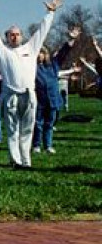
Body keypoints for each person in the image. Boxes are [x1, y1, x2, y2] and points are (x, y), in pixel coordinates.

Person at [0, 0, 61, 169]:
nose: (14, 37)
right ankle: (15, 160)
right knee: (13, 131)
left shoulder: (31, 48)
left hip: (29, 94)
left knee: (27, 130)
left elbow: (43, 31)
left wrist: (50, 13)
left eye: (17, 34)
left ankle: (26, 161)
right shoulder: (3, 52)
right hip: (11, 95)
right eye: (11, 35)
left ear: (22, 36)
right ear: (6, 37)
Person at [32, 26, 78, 154]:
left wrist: (71, 39)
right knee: (38, 124)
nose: (39, 55)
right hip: (39, 100)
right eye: (37, 52)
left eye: (42, 52)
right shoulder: (32, 67)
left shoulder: (53, 65)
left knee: (49, 124)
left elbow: (64, 52)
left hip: (52, 99)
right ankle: (36, 145)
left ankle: (48, 145)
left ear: (45, 54)